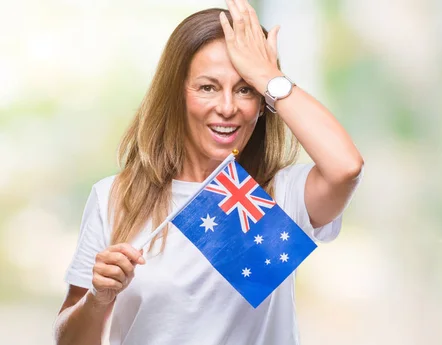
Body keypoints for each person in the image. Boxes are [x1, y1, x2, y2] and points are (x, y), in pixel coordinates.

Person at [53, 0, 363, 344]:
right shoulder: (116, 197)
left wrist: (269, 77)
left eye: (245, 89)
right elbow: (70, 341)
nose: (227, 107)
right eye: (207, 87)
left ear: (262, 103)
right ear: (176, 95)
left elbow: (345, 168)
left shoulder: (275, 195)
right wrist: (99, 299)